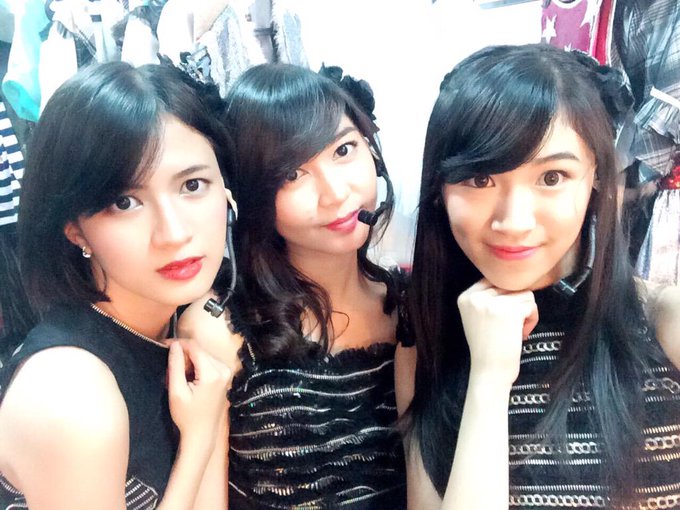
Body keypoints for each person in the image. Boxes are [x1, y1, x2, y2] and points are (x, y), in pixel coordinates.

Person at [396, 44, 680, 509]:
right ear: (439, 189)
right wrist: (489, 378)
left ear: (595, 176)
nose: (513, 221)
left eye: (552, 178)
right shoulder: (427, 339)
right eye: (480, 180)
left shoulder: (664, 321)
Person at [0, 62, 234, 509]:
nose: (173, 233)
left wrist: (211, 420)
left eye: (192, 184)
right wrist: (199, 438)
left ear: (227, 190)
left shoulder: (172, 327)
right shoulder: (71, 393)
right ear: (74, 229)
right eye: (125, 202)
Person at [179, 63, 407, 509]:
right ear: (249, 194)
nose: (335, 193)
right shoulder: (220, 331)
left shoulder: (413, 305)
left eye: (343, 150)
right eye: (292, 175)